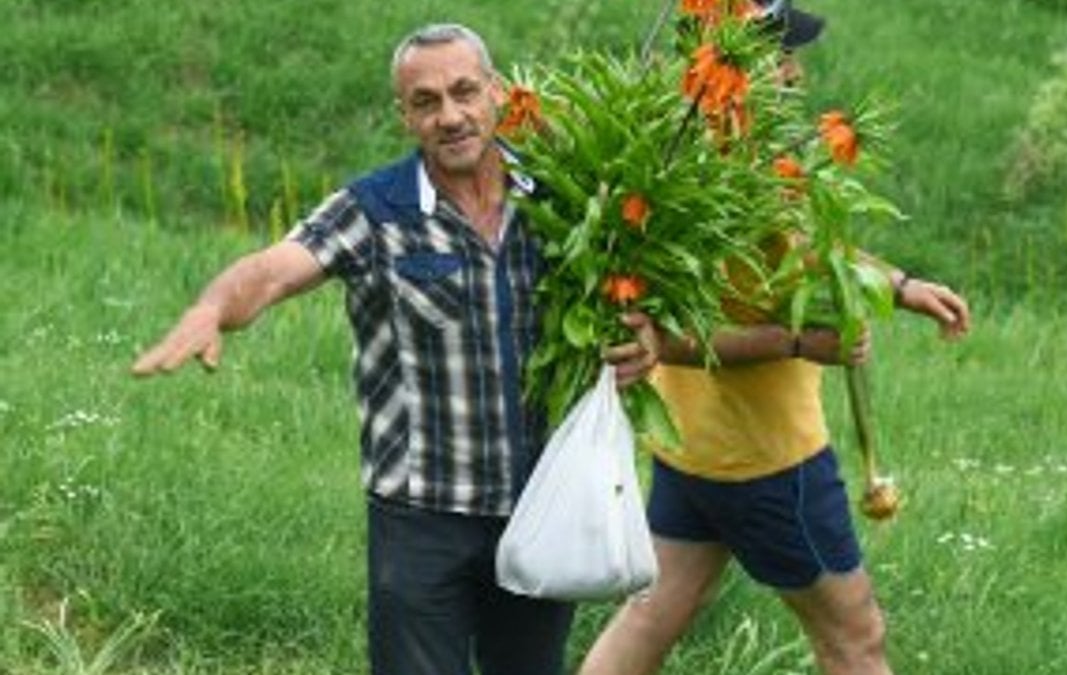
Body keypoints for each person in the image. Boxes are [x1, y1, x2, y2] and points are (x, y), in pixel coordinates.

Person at [131, 23, 660, 675]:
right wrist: (211, 306)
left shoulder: (565, 200)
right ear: (404, 115)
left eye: (465, 92)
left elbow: (625, 305)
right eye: (426, 101)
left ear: (497, 92)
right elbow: (272, 270)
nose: (451, 116)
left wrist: (643, 340)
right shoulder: (375, 210)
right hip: (420, 520)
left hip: (538, 504)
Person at [579, 3, 972, 675]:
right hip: (767, 458)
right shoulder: (723, 178)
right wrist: (797, 344)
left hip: (692, 447)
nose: (793, 69)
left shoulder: (697, 155)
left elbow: (811, 251)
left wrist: (900, 284)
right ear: (728, 64)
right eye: (777, 54)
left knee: (653, 615)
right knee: (855, 636)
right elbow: (667, 335)